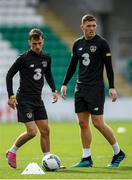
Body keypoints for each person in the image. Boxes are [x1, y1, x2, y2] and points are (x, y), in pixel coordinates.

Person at [61, 14, 125, 168]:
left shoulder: (102, 43)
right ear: (82, 26)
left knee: (97, 123)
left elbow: (109, 67)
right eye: (88, 26)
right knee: (83, 123)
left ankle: (118, 152)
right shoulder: (77, 44)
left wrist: (111, 87)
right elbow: (72, 65)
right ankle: (86, 158)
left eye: (93, 26)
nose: (91, 29)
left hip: (95, 88)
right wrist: (64, 84)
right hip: (80, 87)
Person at [6, 28, 58, 168]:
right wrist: (11, 96)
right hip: (24, 99)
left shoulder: (46, 57)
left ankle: (48, 160)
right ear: (29, 42)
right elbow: (9, 75)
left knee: (46, 130)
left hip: (37, 100)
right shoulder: (23, 58)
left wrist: (54, 89)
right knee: (32, 132)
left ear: (43, 41)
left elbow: (48, 74)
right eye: (34, 43)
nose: (37, 46)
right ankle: (12, 151)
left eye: (39, 43)